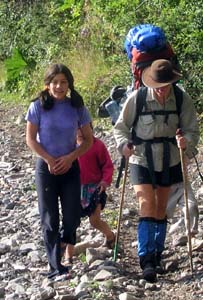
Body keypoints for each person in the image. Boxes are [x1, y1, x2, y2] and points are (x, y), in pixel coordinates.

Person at [113, 59, 199, 282]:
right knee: (146, 204)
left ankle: (157, 255)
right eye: (158, 87)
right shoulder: (138, 98)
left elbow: (192, 129)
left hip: (170, 159)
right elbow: (121, 127)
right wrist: (124, 146)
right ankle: (146, 260)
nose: (161, 91)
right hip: (141, 158)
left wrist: (185, 143)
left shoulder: (181, 98)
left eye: (165, 86)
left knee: (161, 207)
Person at [25, 63, 93, 281]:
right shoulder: (37, 106)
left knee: (73, 215)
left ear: (69, 84)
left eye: (64, 82)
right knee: (49, 218)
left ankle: (64, 241)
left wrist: (70, 157)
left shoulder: (77, 106)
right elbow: (29, 139)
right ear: (47, 85)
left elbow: (89, 140)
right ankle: (55, 266)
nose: (59, 86)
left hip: (70, 166)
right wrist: (48, 159)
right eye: (55, 82)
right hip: (46, 168)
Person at [65, 125, 115, 264]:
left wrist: (105, 181)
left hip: (95, 187)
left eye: (83, 129)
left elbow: (107, 165)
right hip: (75, 188)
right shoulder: (69, 146)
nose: (79, 132)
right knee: (72, 222)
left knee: (94, 220)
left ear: (90, 129)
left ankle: (110, 236)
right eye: (76, 129)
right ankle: (68, 256)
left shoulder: (97, 145)